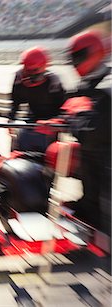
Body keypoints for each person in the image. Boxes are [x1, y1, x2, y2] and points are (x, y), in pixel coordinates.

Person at [52, 30, 110, 235]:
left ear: (93, 53)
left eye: (78, 57)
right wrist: (58, 121)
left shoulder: (107, 86)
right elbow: (71, 108)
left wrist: (75, 116)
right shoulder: (87, 83)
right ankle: (89, 211)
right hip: (95, 153)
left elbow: (93, 132)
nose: (74, 64)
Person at [9, 46, 66, 152]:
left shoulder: (54, 81)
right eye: (28, 71)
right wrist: (10, 121)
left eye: (34, 71)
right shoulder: (19, 79)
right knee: (16, 139)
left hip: (51, 121)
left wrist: (56, 122)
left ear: (44, 67)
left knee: (52, 150)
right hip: (32, 117)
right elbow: (15, 102)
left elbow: (63, 108)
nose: (31, 75)